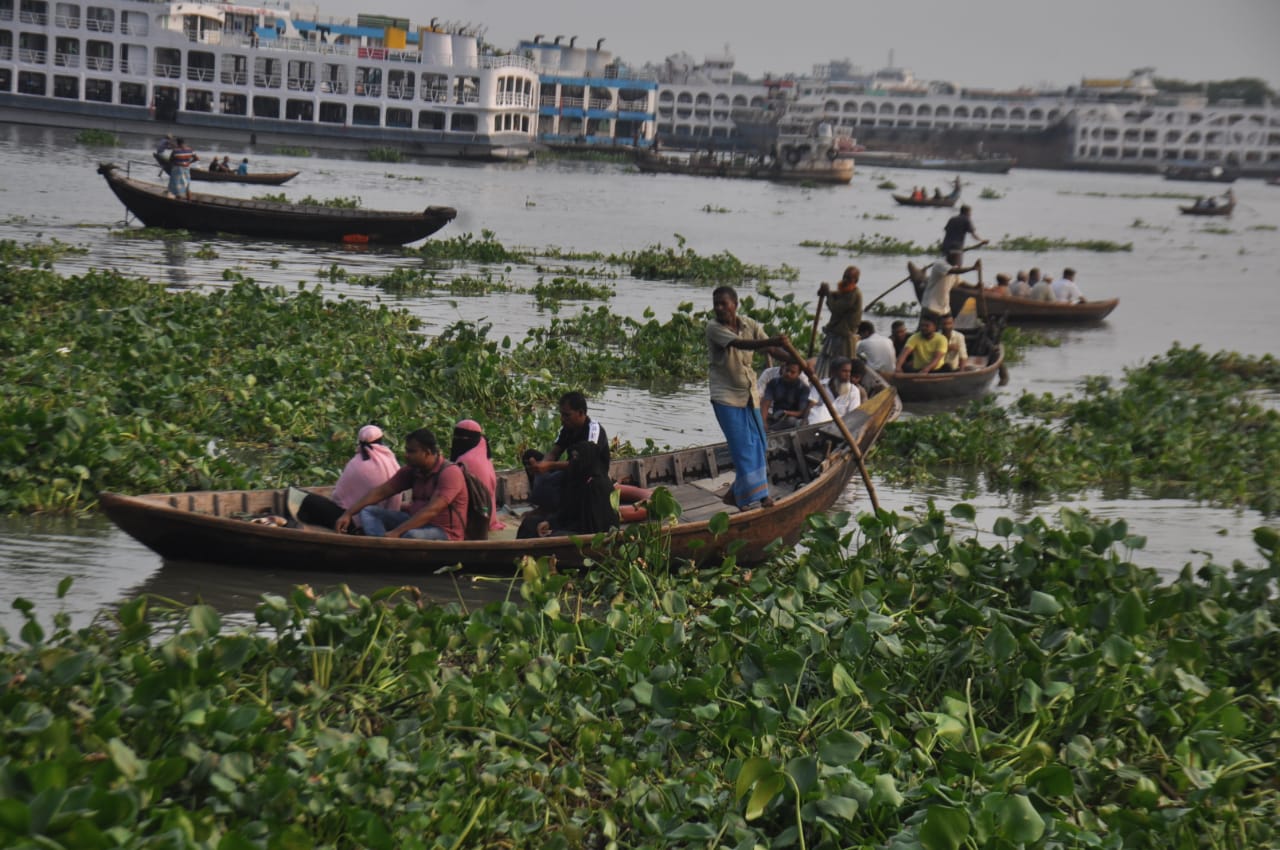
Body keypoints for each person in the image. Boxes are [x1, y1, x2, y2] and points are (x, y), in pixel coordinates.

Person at [707, 285, 789, 509]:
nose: (719, 308)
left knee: (759, 445)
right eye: (716, 304)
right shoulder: (714, 328)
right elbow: (740, 344)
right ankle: (758, 497)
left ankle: (735, 494)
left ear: (735, 304)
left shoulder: (749, 324)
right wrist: (772, 341)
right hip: (726, 397)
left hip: (749, 394)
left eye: (724, 303)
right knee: (743, 448)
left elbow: (771, 350)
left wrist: (790, 358)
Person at [336, 428, 468, 540]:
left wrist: (397, 532)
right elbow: (380, 492)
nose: (406, 455)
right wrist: (348, 513)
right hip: (413, 520)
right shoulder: (412, 470)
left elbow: (431, 510)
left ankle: (384, 547)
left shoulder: (450, 473)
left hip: (443, 531)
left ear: (427, 452)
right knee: (369, 511)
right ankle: (380, 545)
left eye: (411, 451)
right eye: (406, 450)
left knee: (410, 535)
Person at [292, 424, 402, 530]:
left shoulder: (356, 463)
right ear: (381, 440)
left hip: (350, 522)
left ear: (359, 441)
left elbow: (338, 496)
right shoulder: (391, 461)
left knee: (309, 500)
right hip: (385, 519)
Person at [525, 391, 610, 514]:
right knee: (530, 456)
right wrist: (541, 465)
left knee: (563, 476)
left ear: (581, 413)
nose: (562, 419)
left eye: (567, 415)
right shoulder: (567, 427)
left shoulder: (593, 430)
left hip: (590, 476)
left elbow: (581, 465)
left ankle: (556, 509)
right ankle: (544, 505)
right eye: (561, 414)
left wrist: (549, 466)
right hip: (571, 468)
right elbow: (554, 453)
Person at [450, 419, 504, 531]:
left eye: (461, 437)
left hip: (475, 518)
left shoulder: (467, 460)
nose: (457, 441)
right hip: (488, 514)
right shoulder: (483, 454)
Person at [815, 265, 862, 378]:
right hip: (835, 333)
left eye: (849, 278)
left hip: (844, 336)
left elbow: (836, 308)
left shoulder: (854, 294)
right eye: (844, 277)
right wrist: (827, 293)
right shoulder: (846, 291)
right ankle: (822, 380)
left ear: (855, 280)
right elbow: (836, 296)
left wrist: (827, 295)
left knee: (842, 363)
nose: (846, 280)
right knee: (826, 360)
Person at [910, 250, 980, 323]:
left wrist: (974, 287)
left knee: (946, 328)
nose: (958, 263)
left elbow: (960, 283)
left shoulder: (954, 267)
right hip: (931, 306)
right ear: (949, 257)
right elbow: (952, 271)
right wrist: (972, 268)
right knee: (927, 329)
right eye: (956, 259)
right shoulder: (940, 264)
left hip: (944, 308)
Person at [808, 357, 865, 425]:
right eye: (844, 371)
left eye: (849, 371)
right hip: (815, 425)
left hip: (839, 428)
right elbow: (811, 406)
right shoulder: (820, 385)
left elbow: (852, 417)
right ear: (833, 372)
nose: (848, 375)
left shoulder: (854, 391)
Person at [761, 359, 814, 431]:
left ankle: (771, 430)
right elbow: (765, 403)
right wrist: (763, 422)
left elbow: (802, 412)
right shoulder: (774, 383)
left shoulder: (803, 388)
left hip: (792, 420)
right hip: (775, 417)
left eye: (792, 372)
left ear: (799, 373)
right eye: (787, 370)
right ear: (783, 368)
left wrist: (786, 412)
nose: (788, 374)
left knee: (791, 421)